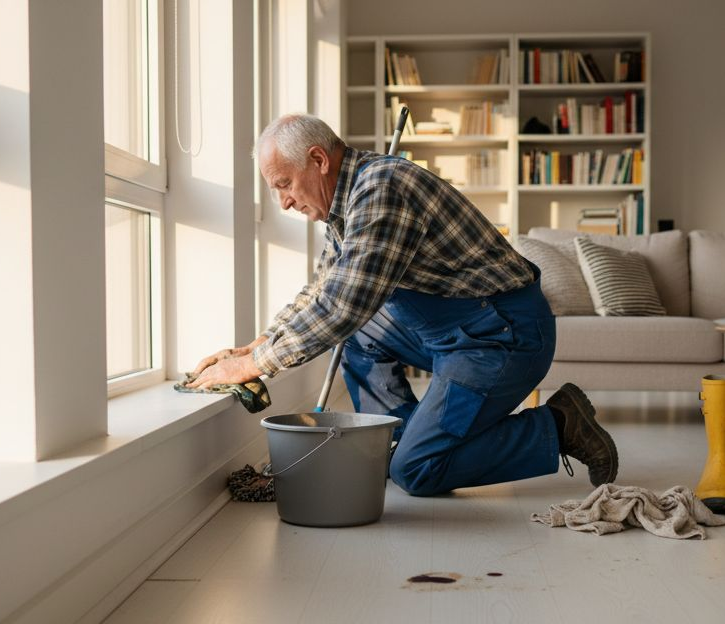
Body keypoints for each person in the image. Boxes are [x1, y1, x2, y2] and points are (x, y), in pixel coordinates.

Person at [188, 113, 618, 496]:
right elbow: (321, 290)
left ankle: (559, 425)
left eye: (284, 184)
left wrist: (256, 365)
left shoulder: (382, 190)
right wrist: (256, 344)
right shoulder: (344, 207)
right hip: (453, 331)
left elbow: (342, 307)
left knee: (416, 471)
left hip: (501, 335)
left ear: (318, 160)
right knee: (362, 337)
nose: (283, 201)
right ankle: (396, 439)